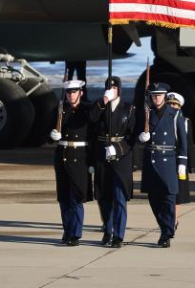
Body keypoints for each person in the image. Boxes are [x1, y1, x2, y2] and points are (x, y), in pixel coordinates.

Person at [136, 82, 188, 247]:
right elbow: (137, 133)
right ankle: (165, 225)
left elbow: (182, 141)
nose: (156, 98)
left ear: (165, 96)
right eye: (154, 95)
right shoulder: (147, 113)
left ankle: (166, 232)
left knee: (168, 197)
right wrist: (141, 137)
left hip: (168, 159)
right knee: (153, 198)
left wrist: (182, 162)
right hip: (151, 159)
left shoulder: (175, 114)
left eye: (159, 95)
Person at [90, 76, 135, 248]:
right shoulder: (100, 106)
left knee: (119, 197)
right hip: (102, 156)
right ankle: (107, 231)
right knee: (104, 198)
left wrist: (118, 148)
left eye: (115, 88)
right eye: (109, 88)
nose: (112, 90)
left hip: (120, 159)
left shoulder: (128, 109)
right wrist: (104, 100)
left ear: (120, 90)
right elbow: (92, 120)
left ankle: (118, 235)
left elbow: (131, 137)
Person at [49, 79, 93, 246]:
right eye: (68, 92)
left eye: (74, 92)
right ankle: (67, 231)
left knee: (76, 198)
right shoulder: (59, 110)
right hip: (62, 156)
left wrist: (92, 161)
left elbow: (92, 135)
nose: (71, 95)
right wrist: (51, 134)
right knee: (63, 198)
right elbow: (48, 132)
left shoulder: (86, 111)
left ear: (80, 93)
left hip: (80, 157)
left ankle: (75, 234)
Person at [166, 92, 195, 230]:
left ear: (179, 106)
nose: (172, 106)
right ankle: (168, 218)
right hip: (166, 160)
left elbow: (188, 144)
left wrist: (191, 164)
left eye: (175, 104)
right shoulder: (163, 120)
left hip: (179, 162)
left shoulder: (185, 122)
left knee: (177, 193)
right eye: (170, 104)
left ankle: (174, 219)